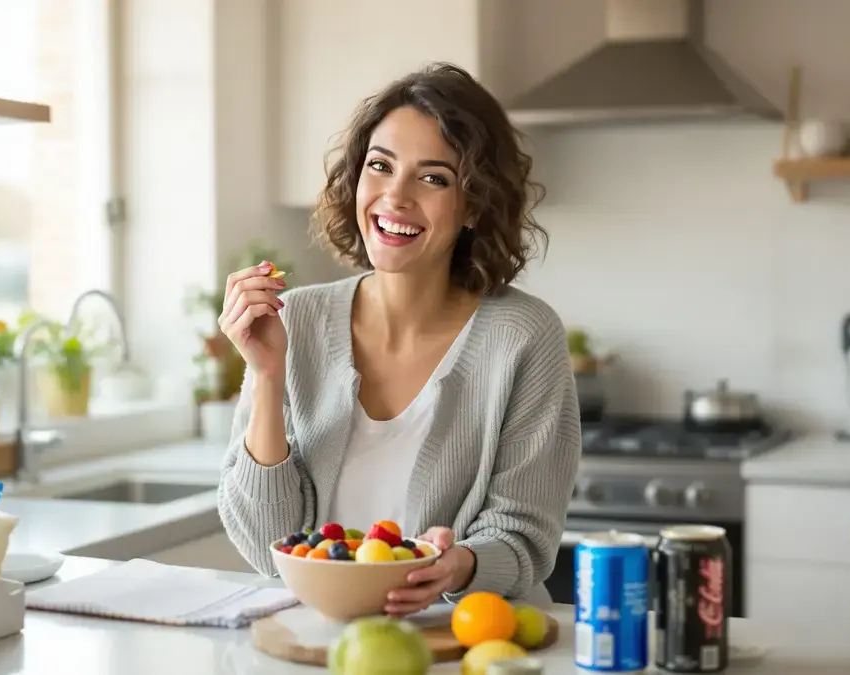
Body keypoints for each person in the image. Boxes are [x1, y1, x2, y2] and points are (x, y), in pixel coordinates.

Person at [216, 62, 581, 616]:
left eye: (433, 178)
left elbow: (524, 539)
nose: (395, 197)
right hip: (329, 644)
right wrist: (267, 375)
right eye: (380, 167)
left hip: (468, 640)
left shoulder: (524, 337)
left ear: (475, 204)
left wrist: (460, 564)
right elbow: (269, 547)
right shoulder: (297, 321)